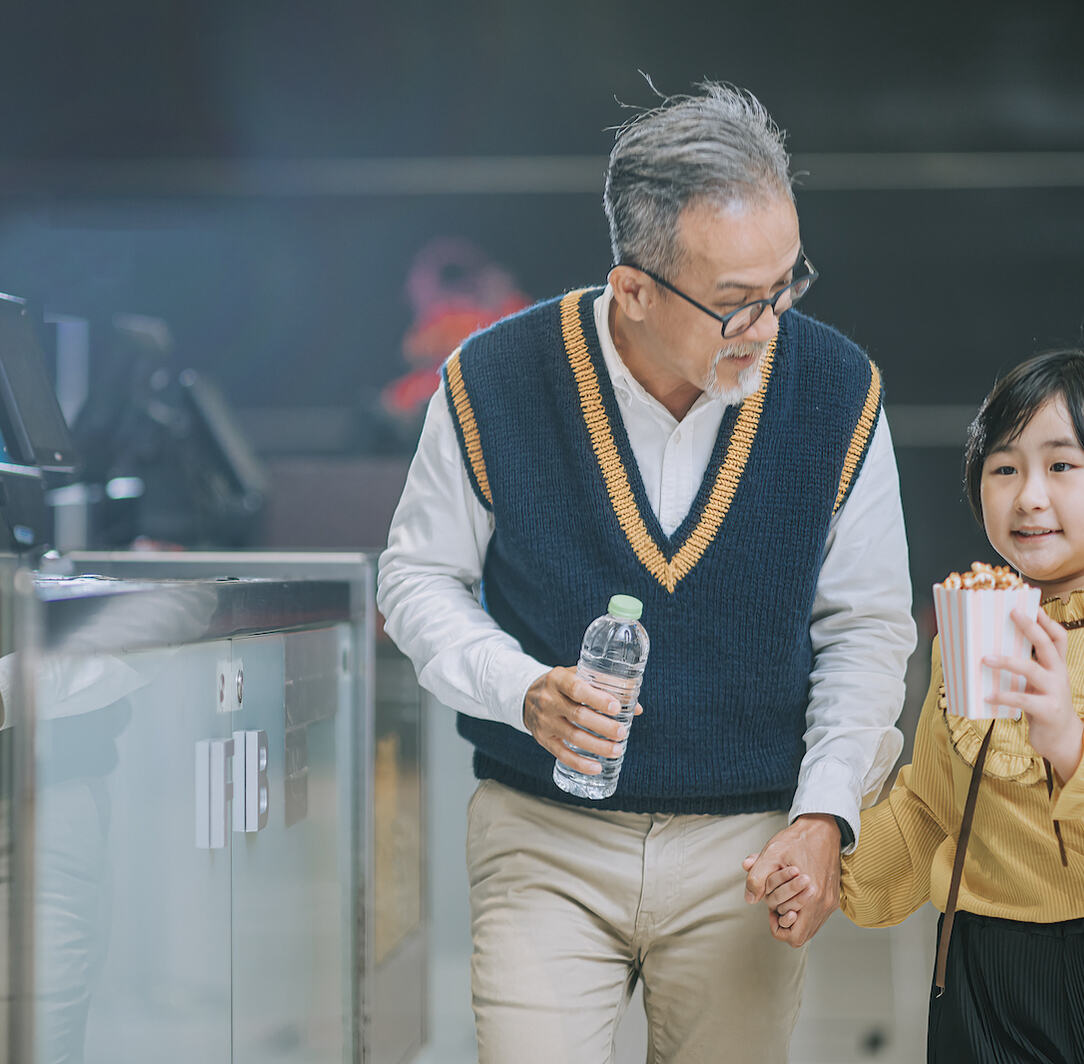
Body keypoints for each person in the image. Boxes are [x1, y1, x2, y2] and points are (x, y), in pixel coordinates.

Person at [377, 81, 916, 1063]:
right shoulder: (491, 378)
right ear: (632, 288)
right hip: (544, 835)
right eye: (734, 302)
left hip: (746, 845)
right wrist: (522, 688)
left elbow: (867, 628)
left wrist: (825, 814)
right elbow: (417, 579)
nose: (769, 322)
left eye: (786, 283)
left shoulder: (840, 389)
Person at [760, 349, 1084, 1062]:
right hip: (972, 968)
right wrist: (822, 864)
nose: (1030, 496)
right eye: (1004, 467)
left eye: (1062, 465)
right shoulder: (975, 621)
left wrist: (1067, 744)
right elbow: (930, 811)